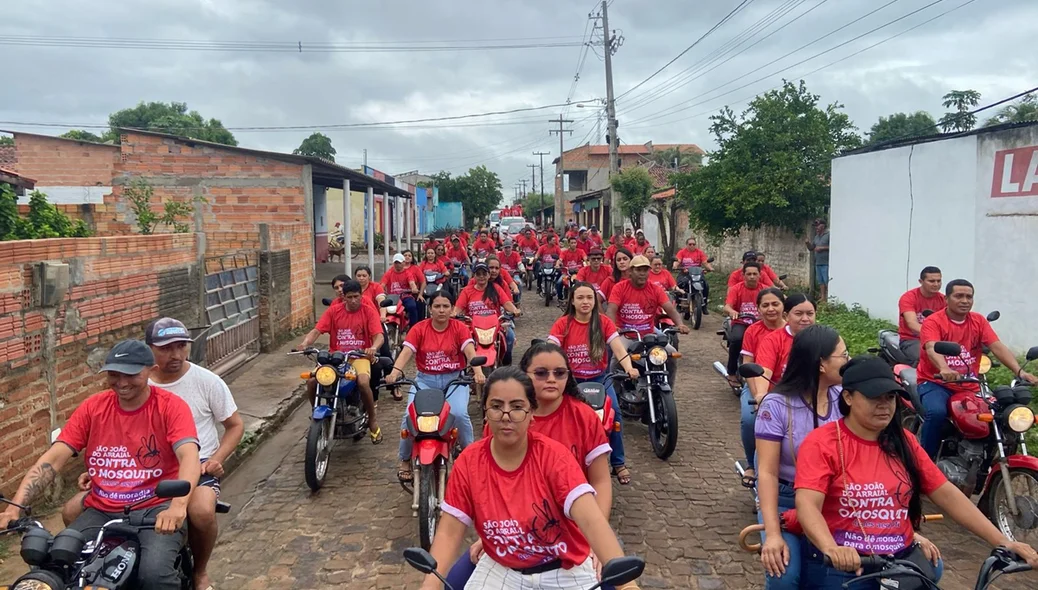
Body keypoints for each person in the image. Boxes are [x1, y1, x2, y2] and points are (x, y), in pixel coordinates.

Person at [796, 355, 1038, 587]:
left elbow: (946, 493)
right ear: (848, 397)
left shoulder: (905, 442)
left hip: (899, 561)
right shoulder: (823, 443)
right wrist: (830, 548)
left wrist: (1003, 542)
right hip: (843, 565)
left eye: (890, 397)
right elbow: (808, 504)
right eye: (874, 397)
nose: (884, 405)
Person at [0, 340, 201, 590]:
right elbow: (53, 459)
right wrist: (15, 508)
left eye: (131, 374)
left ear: (151, 369)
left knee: (154, 577)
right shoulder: (93, 407)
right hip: (102, 510)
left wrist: (178, 507)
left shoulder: (170, 407)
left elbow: (189, 456)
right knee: (55, 566)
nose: (122, 382)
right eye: (114, 375)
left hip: (155, 510)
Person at [422, 367, 633, 590]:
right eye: (496, 406)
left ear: (531, 412)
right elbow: (449, 530)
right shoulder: (468, 462)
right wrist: (430, 584)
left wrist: (628, 586)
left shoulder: (554, 457)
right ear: (485, 411)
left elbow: (591, 520)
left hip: (564, 568)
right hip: (502, 568)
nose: (506, 415)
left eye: (517, 407)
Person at [754, 325, 848, 590]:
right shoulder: (776, 405)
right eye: (843, 355)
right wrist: (772, 534)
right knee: (784, 577)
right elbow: (768, 472)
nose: (848, 361)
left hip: (834, 499)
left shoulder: (845, 398)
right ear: (821, 364)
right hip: (786, 498)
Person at [916, 279, 1037, 458]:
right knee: (937, 413)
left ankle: (988, 459)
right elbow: (932, 347)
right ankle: (925, 462)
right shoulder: (934, 321)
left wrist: (1019, 371)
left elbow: (997, 346)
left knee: (1000, 414)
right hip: (935, 382)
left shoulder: (978, 321)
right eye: (959, 296)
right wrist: (944, 368)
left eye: (969, 297)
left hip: (969, 385)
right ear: (946, 299)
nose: (965, 300)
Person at [387, 290, 486, 483]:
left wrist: (478, 372)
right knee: (410, 416)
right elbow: (407, 351)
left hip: (454, 381)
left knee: (458, 413)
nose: (441, 310)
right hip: (425, 381)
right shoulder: (419, 329)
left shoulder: (459, 328)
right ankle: (405, 459)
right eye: (437, 306)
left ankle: (469, 456)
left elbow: (470, 351)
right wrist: (394, 372)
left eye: (445, 306)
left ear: (451, 309)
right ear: (430, 309)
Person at [551, 284, 640, 485]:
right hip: (570, 383)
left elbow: (618, 348)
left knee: (614, 413)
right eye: (580, 298)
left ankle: (618, 462)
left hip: (600, 380)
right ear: (572, 301)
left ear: (595, 301)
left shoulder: (604, 323)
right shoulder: (562, 324)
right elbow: (551, 349)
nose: (585, 302)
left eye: (589, 298)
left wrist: (629, 367)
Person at [299, 279, 385, 443]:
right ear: (343, 297)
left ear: (361, 296)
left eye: (356, 296)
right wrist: (304, 344)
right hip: (336, 358)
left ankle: (372, 421)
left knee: (363, 382)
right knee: (311, 381)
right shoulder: (334, 311)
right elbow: (317, 330)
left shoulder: (368, 311)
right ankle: (316, 418)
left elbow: (378, 336)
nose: (353, 301)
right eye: (350, 297)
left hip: (358, 357)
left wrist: (373, 347)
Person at [737, 288, 786, 490]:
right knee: (750, 419)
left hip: (789, 388)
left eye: (775, 304)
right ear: (758, 309)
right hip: (759, 385)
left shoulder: (794, 331)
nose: (770, 309)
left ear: (784, 306)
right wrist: (759, 395)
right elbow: (748, 365)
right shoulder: (753, 331)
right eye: (765, 305)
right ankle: (751, 463)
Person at [752, 294, 818, 398]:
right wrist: (761, 394)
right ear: (786, 316)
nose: (805, 319)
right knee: (748, 414)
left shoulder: (826, 338)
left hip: (816, 398)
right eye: (798, 314)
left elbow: (840, 363)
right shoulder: (773, 340)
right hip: (780, 398)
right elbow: (764, 371)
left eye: (810, 314)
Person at [455, 262, 522, 363]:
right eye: (478, 274)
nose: (481, 277)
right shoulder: (467, 291)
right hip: (473, 326)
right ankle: (462, 366)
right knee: (459, 341)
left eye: (484, 274)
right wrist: (453, 313)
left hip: (494, 325)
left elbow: (506, 302)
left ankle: (505, 364)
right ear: (474, 276)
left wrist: (515, 310)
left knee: (510, 337)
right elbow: (458, 307)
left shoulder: (496, 288)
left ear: (488, 275)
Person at [723, 261, 765, 386]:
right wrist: (732, 312)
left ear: (760, 275)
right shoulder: (736, 289)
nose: (752, 276)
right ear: (743, 275)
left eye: (754, 274)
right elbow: (727, 306)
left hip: (760, 323)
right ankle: (731, 372)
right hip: (741, 322)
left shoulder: (765, 290)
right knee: (737, 340)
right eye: (749, 274)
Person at [897, 266, 946, 365]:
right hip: (911, 340)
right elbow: (912, 324)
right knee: (925, 359)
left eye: (938, 281)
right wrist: (932, 334)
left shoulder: (943, 300)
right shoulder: (909, 298)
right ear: (921, 281)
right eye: (931, 281)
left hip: (937, 340)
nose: (936, 284)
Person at [673, 237, 714, 312]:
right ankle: (678, 303)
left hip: (697, 274)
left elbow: (705, 262)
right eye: (690, 244)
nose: (692, 246)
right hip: (684, 273)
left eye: (693, 244)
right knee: (678, 284)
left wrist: (710, 268)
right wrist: (675, 266)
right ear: (686, 245)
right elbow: (677, 261)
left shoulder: (699, 252)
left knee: (706, 285)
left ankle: (704, 305)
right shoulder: (682, 252)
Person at [381, 252, 421, 327]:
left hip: (405, 296)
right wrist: (381, 291)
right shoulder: (389, 273)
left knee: (412, 307)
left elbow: (412, 283)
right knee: (381, 308)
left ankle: (413, 328)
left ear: (403, 263)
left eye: (399, 263)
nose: (397, 265)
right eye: (395, 263)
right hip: (392, 298)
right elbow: (382, 284)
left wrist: (414, 288)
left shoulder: (407, 273)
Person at [805, 218, 830, 303]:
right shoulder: (816, 236)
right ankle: (823, 297)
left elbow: (834, 247)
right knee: (821, 281)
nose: (816, 227)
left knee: (827, 281)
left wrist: (822, 248)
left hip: (826, 262)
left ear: (823, 226)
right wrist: (808, 243)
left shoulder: (828, 235)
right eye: (815, 226)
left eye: (818, 225)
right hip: (818, 262)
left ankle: (829, 297)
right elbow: (811, 248)